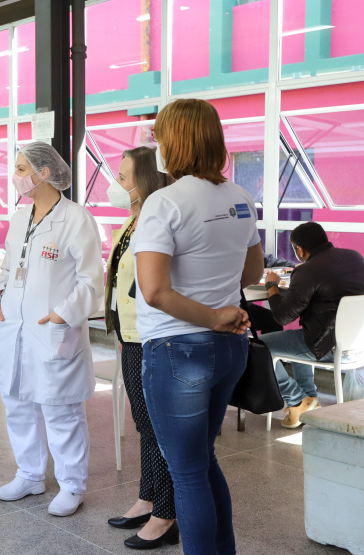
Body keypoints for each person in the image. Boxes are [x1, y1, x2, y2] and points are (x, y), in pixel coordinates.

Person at [133, 99, 264, 555]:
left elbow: (153, 290)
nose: (158, 146)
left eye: (161, 137)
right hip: (229, 348)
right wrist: (221, 308)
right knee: (201, 463)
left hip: (177, 349)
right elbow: (251, 275)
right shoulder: (240, 198)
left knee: (186, 473)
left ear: (178, 141)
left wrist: (211, 314)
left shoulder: (163, 202)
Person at [0, 141, 103, 518]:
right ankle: (30, 474)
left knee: (60, 410)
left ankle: (72, 485)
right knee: (18, 403)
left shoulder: (76, 218)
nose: (16, 176)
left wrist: (61, 314)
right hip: (14, 329)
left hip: (53, 331)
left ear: (45, 173)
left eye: (22, 169)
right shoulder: (20, 218)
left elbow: (91, 282)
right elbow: (9, 266)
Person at [103, 147, 177, 549]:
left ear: (144, 181)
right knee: (143, 426)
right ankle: (148, 497)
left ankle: (166, 515)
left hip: (150, 335)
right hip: (129, 335)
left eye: (123, 177)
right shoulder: (130, 224)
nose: (117, 184)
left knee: (156, 428)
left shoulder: (155, 222)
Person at [260, 222, 364, 427]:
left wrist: (271, 286)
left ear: (299, 250)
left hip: (327, 346)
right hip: (357, 345)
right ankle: (308, 402)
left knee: (255, 348)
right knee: (300, 336)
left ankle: (296, 399)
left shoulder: (308, 270)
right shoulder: (355, 257)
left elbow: (282, 317)